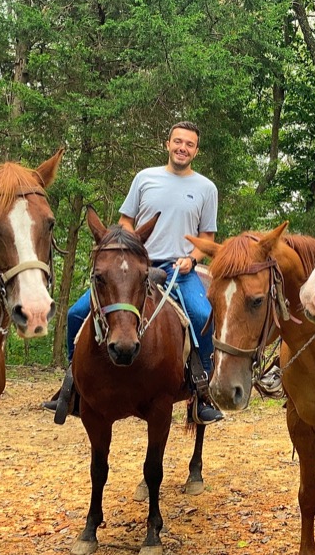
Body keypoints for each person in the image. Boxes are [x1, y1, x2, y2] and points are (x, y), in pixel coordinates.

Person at [53, 121, 223, 424]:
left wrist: (192, 260)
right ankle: (72, 384)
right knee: (76, 313)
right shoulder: (145, 179)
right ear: (167, 144)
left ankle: (201, 391)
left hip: (177, 270)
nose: (182, 148)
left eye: (189, 144)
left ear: (196, 150)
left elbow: (207, 238)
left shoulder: (206, 188)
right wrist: (130, 250)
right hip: (136, 267)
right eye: (178, 142)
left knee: (201, 314)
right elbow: (125, 220)